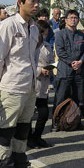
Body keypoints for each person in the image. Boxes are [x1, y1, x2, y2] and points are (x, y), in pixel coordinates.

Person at [0, 0, 42, 168]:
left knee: (23, 130)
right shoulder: (7, 26)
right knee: (6, 129)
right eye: (32, 1)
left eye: (38, 1)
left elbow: (34, 58)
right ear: (20, 3)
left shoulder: (35, 28)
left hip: (29, 86)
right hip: (11, 86)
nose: (37, 5)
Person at [28, 20, 55, 149]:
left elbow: (52, 61)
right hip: (32, 83)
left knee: (43, 114)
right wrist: (40, 70)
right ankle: (28, 138)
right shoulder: (30, 46)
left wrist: (50, 69)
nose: (44, 37)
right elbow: (28, 63)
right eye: (42, 34)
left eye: (46, 34)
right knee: (28, 115)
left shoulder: (48, 46)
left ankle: (37, 136)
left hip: (44, 85)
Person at [54, 10, 84, 112]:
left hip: (79, 72)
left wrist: (80, 62)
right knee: (61, 97)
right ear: (66, 20)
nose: (73, 20)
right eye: (71, 18)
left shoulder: (82, 36)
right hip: (65, 70)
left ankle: (75, 121)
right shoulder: (60, 34)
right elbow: (60, 51)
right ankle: (57, 122)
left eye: (76, 18)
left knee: (79, 98)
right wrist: (72, 63)